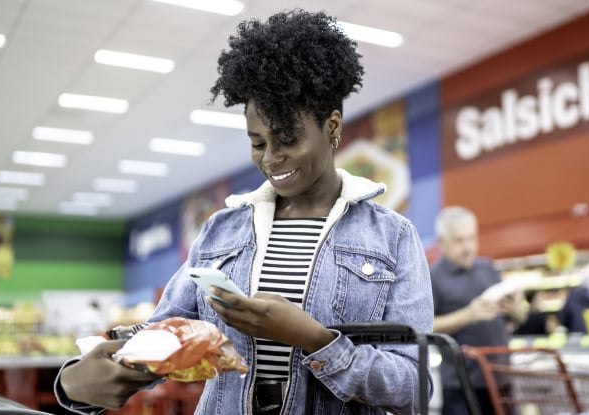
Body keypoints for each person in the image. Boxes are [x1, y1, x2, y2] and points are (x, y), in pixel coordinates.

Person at [54, 9, 434, 415]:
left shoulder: (391, 238)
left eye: (288, 139)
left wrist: (316, 340)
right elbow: (166, 334)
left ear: (333, 127)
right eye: (257, 142)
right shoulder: (222, 231)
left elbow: (413, 386)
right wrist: (77, 378)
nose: (271, 159)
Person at [430, 206, 528, 415]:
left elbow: (518, 318)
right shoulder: (433, 277)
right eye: (459, 240)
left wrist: (516, 310)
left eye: (471, 238)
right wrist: (468, 315)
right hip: (461, 386)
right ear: (442, 242)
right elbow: (425, 327)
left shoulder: (488, 268)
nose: (468, 247)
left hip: (502, 380)